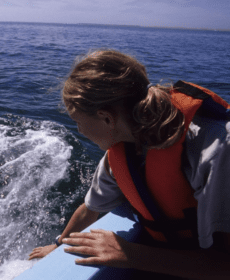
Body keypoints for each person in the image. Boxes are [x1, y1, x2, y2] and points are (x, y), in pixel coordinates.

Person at [28, 49, 230, 279]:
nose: (79, 130)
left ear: (107, 118)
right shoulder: (123, 147)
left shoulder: (215, 149)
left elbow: (225, 264)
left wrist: (130, 254)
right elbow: (90, 209)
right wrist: (57, 246)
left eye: (78, 121)